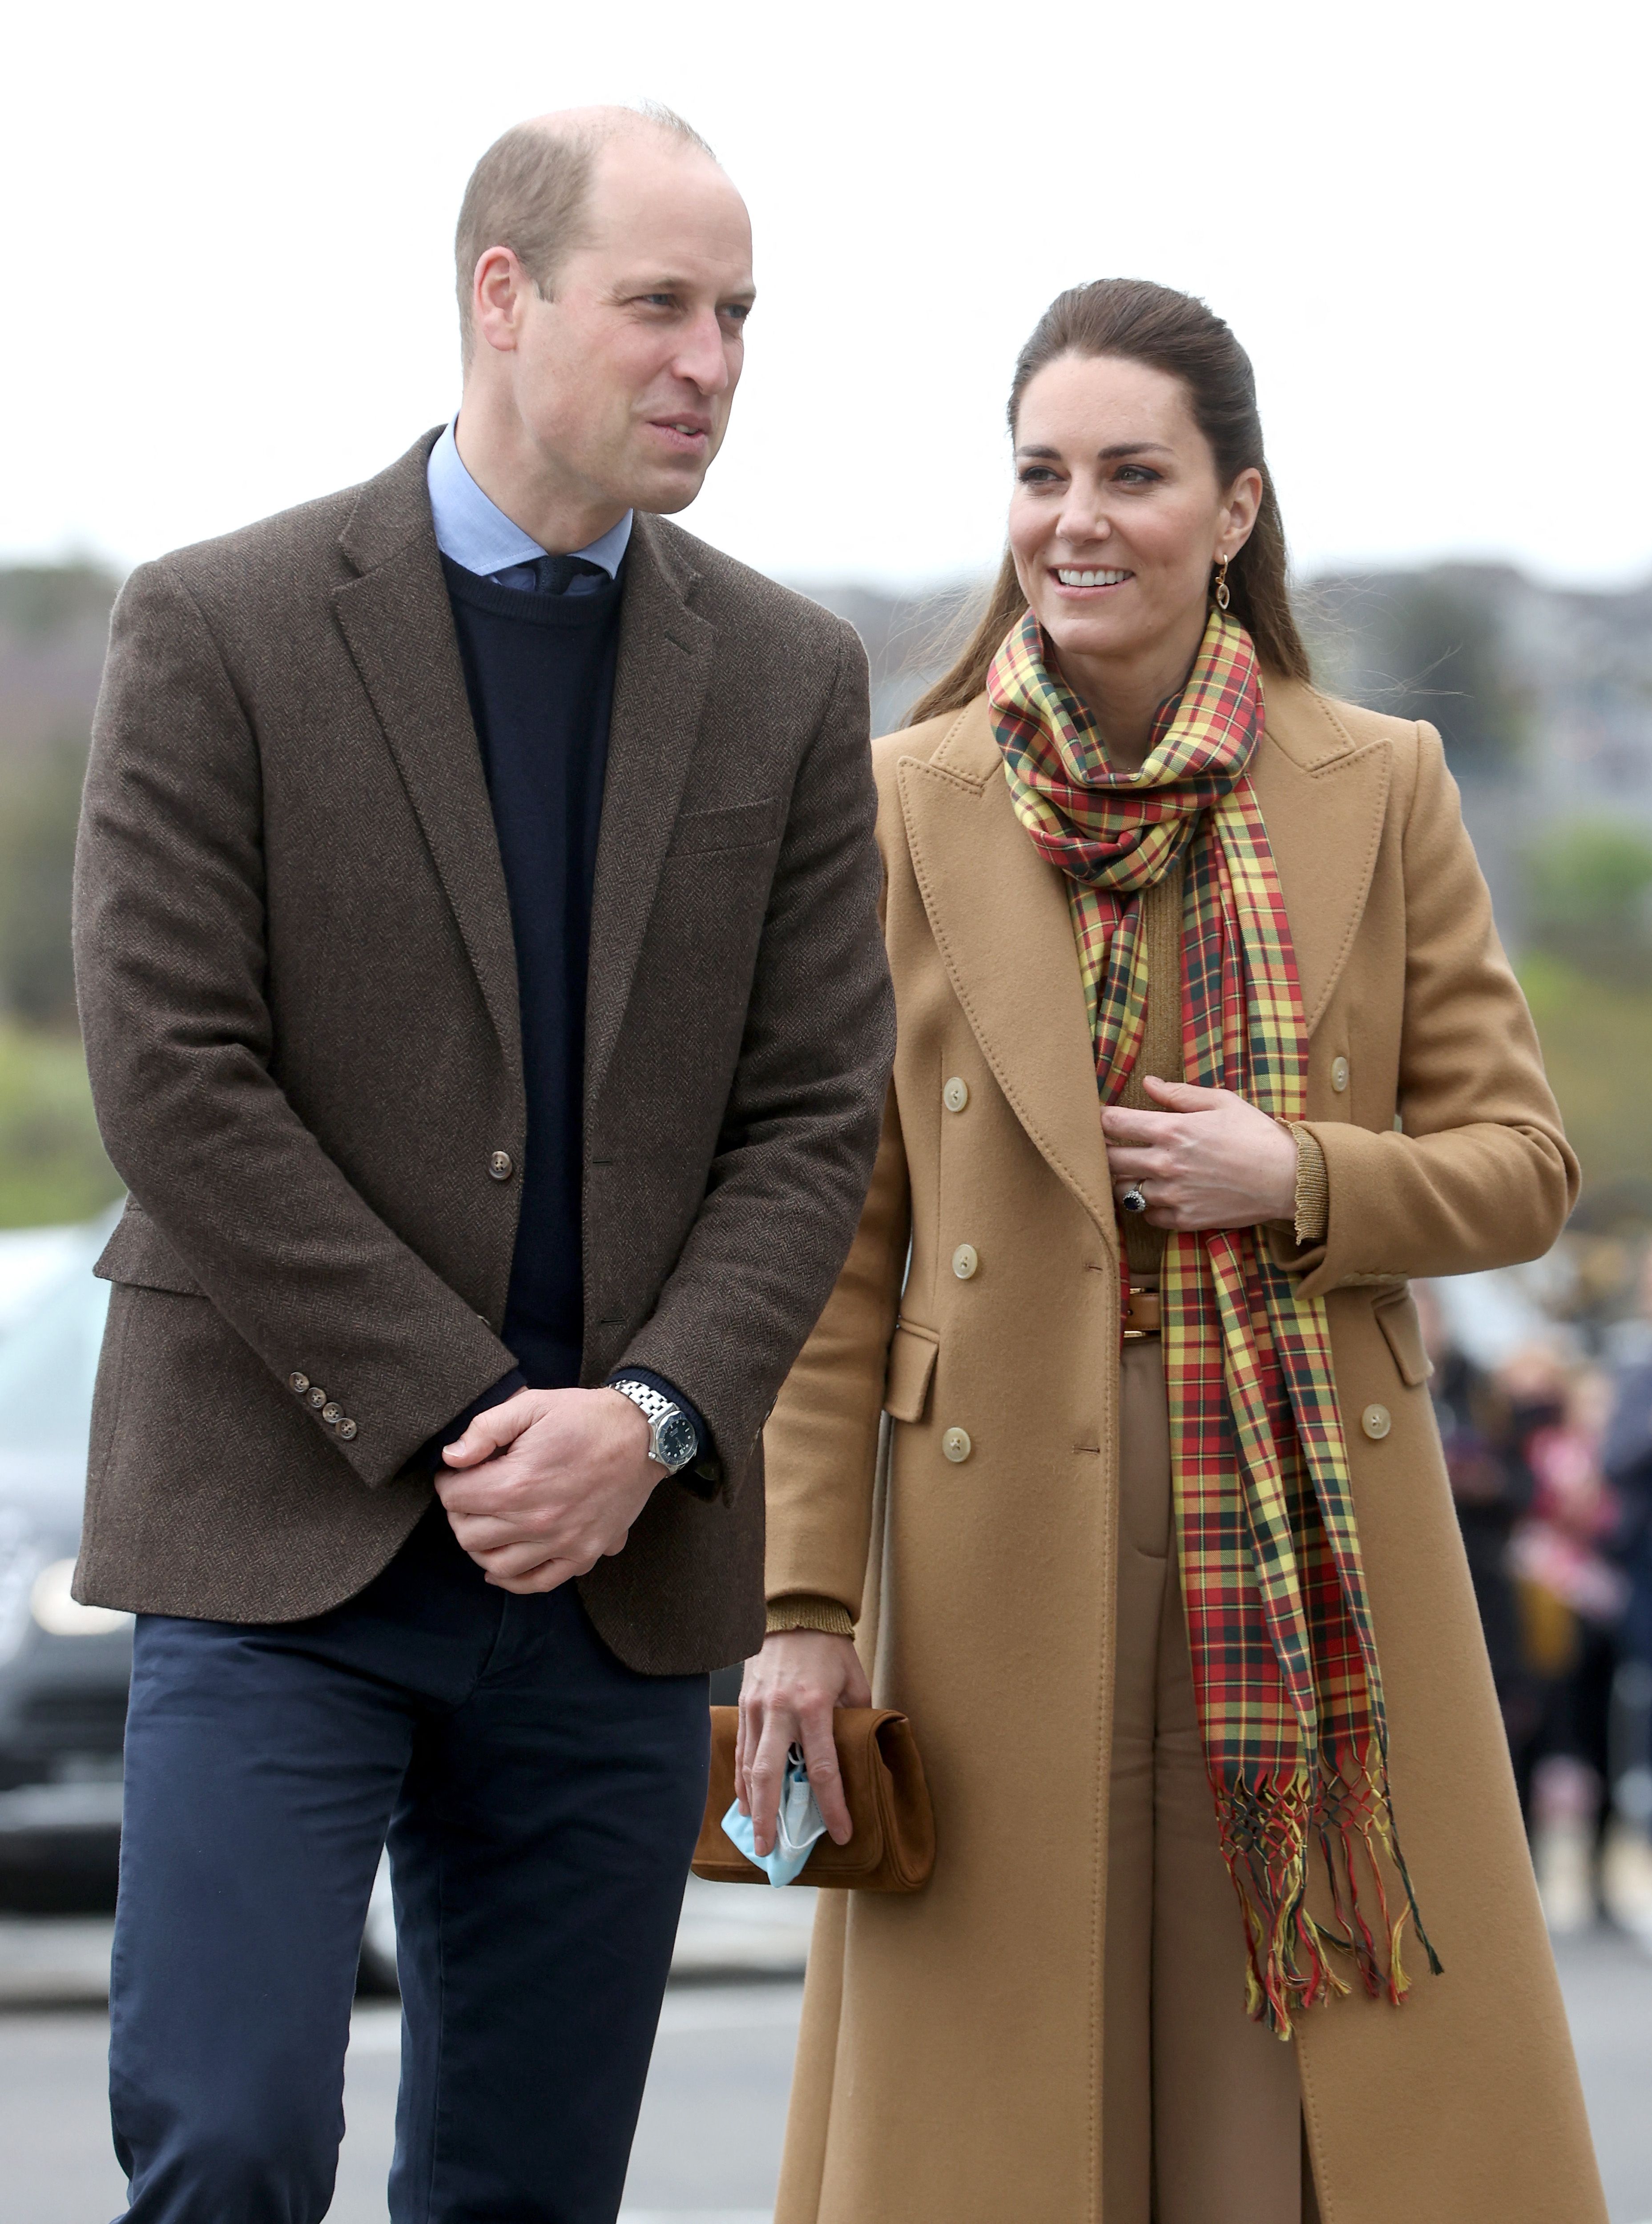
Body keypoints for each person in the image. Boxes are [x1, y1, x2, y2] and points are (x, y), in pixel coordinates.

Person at [71, 104, 893, 2224]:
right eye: (661, 303)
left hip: (617, 1578)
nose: (709, 356)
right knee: (230, 2136)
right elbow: (170, 1073)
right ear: (501, 297)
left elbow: (814, 1113)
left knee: (524, 2189)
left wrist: (639, 1420)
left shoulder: (793, 678)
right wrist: (471, 1410)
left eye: (736, 314)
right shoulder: (221, 623)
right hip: (279, 1534)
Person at [739, 280, 1607, 2223]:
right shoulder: (907, 799)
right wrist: (803, 1602)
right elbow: (833, 1239)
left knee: (1263, 2100)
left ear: (1231, 509)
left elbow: (1518, 1161)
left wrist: (1290, 1170)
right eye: (1041, 472)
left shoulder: (1374, 779)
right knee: (1005, 2116)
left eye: (1132, 472)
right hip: (987, 1560)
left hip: (1302, 1548)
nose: (1078, 517)